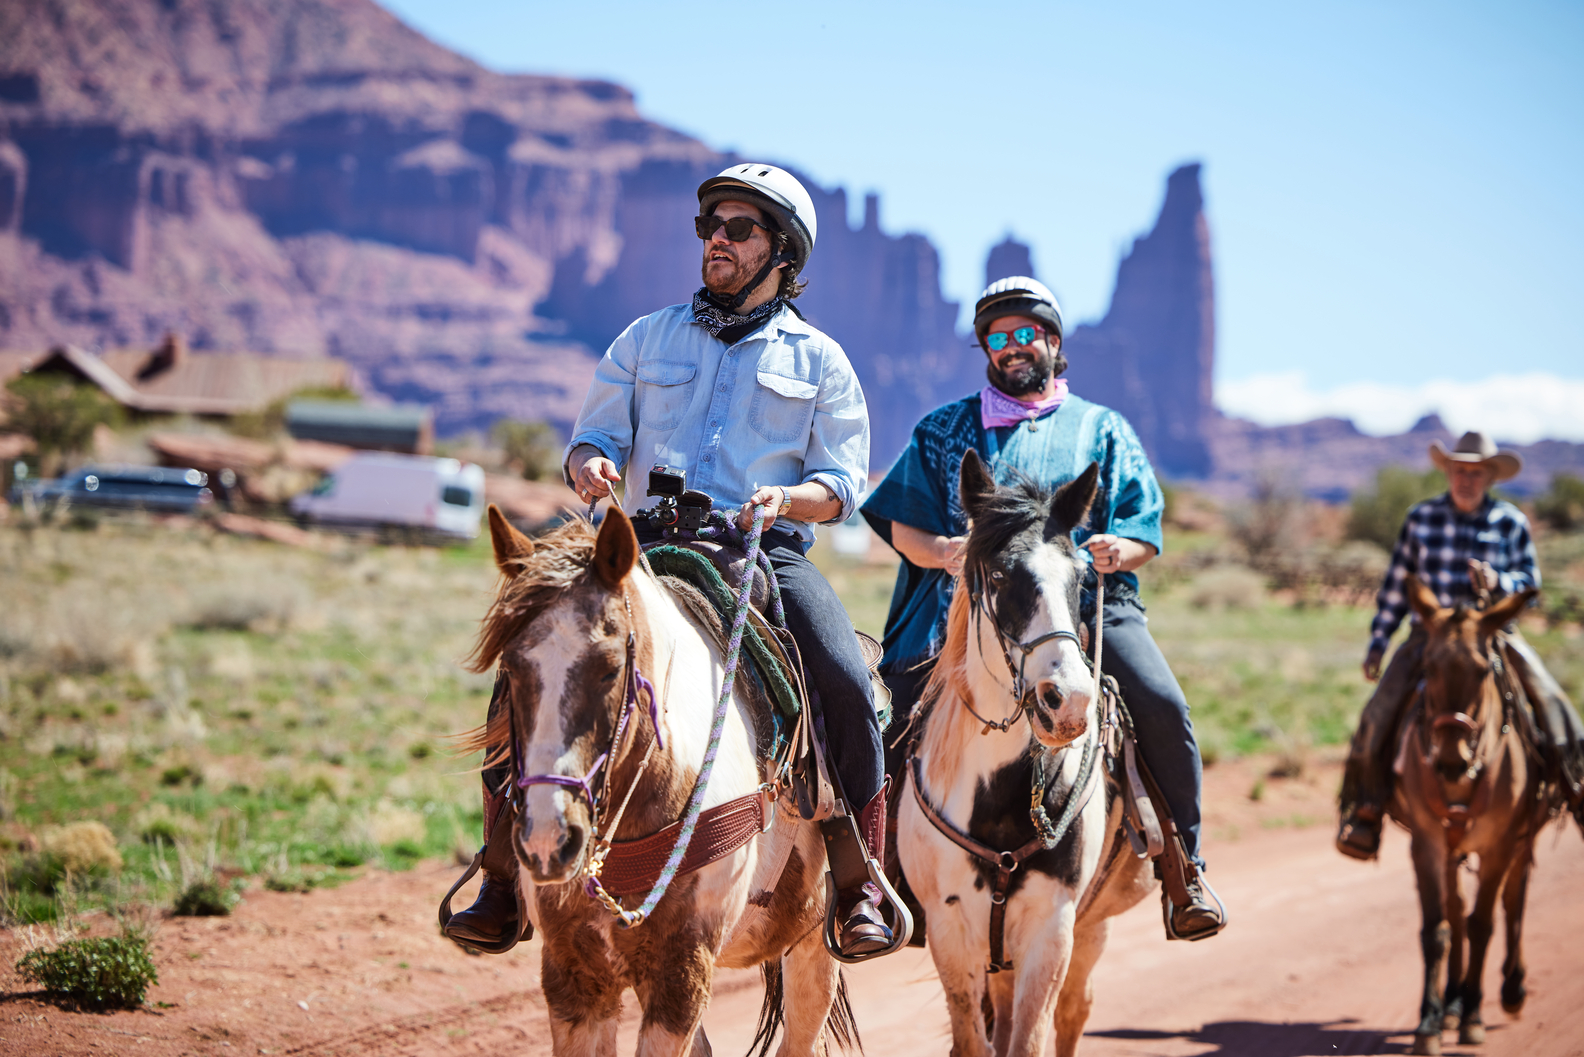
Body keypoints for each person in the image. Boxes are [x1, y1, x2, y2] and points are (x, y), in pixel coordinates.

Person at [444, 163, 892, 957]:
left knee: (842, 673)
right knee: (532, 664)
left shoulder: (822, 361)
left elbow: (840, 481)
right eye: (709, 227)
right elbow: (594, 434)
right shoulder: (645, 337)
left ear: (781, 249)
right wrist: (589, 465)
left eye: (738, 229)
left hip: (761, 551)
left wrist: (788, 500)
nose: (716, 240)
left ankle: (860, 881)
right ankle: (502, 878)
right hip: (641, 552)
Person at [861, 276, 1226, 941]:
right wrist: (941, 548)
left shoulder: (1102, 429)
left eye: (1026, 333)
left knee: (1162, 705)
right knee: (885, 712)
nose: (1012, 347)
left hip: (1081, 604)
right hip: (961, 611)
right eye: (998, 338)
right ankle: (873, 883)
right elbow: (896, 520)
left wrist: (1125, 546)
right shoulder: (943, 430)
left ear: (1054, 343)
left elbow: (1145, 525)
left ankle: (1185, 867)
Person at [1336, 431, 1584, 859]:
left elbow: (1531, 586)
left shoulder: (1510, 522)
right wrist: (1379, 642)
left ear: (1489, 476)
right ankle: (1367, 808)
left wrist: (1498, 583)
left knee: (1554, 705)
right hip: (1428, 638)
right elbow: (1397, 585)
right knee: (1377, 713)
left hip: (1492, 636)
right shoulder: (1420, 518)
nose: (1465, 479)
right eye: (1458, 470)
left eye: (1475, 472)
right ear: (1448, 472)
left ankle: (1575, 793)